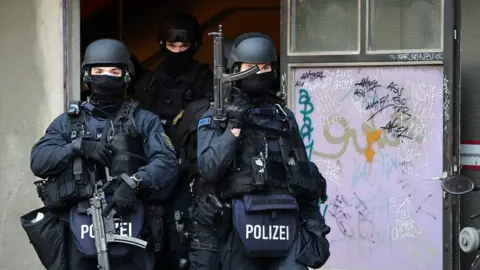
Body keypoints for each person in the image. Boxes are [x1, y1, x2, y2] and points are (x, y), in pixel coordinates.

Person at [27, 38, 178, 270]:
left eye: (113, 71)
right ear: (87, 76)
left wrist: (135, 182)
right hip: (80, 225)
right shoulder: (68, 122)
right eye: (98, 71)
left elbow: (167, 163)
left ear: (126, 76)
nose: (105, 77)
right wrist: (77, 147)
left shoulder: (142, 120)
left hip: (132, 220)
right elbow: (39, 160)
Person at [196, 33, 331, 270]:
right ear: (235, 70)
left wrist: (314, 224)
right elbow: (209, 168)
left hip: (285, 217)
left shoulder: (283, 115)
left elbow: (302, 172)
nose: (258, 74)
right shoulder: (217, 116)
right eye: (251, 68)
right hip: (239, 222)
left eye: (265, 67)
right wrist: (233, 127)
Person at [133, 12, 213, 270]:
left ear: (194, 46)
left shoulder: (206, 81)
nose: (178, 51)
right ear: (162, 45)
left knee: (187, 235)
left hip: (192, 172)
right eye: (172, 46)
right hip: (153, 170)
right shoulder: (148, 83)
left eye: (184, 46)